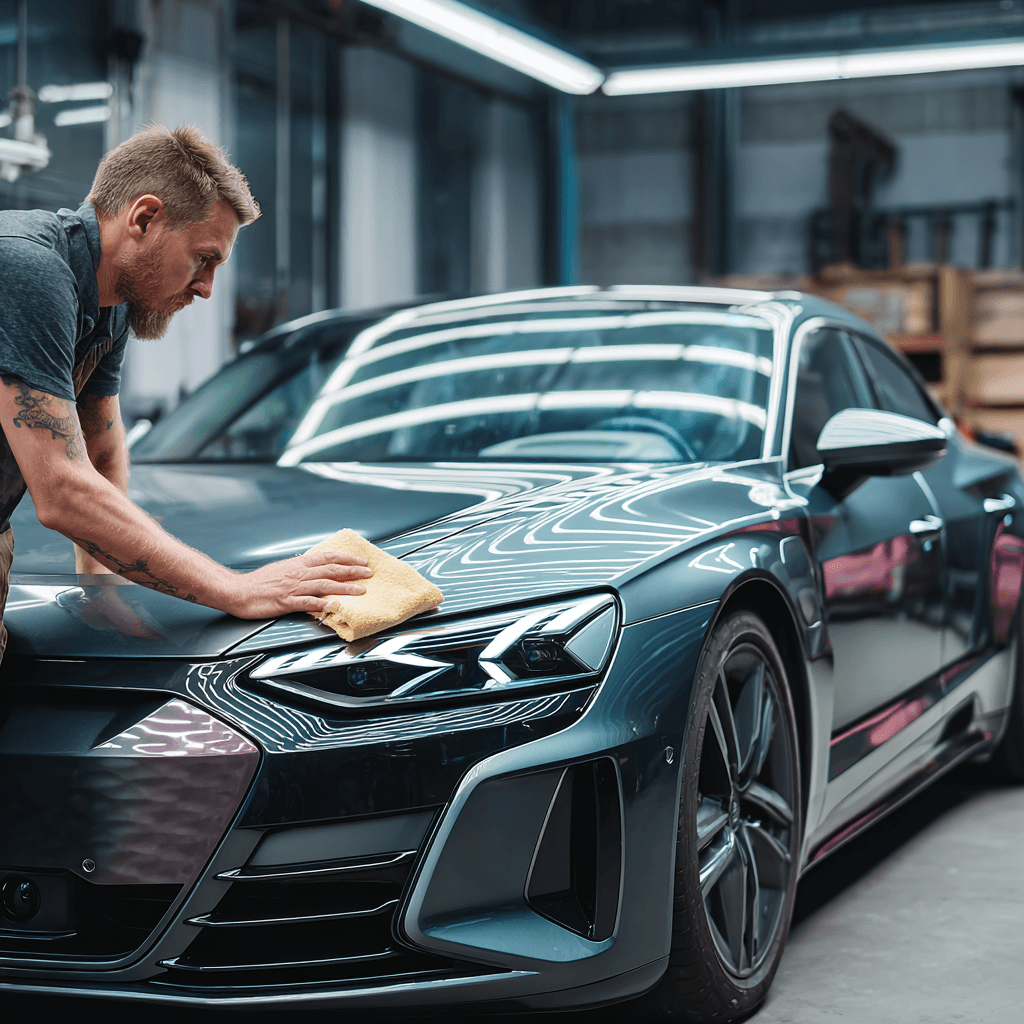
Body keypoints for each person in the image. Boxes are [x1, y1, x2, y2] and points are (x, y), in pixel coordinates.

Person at [0, 124, 371, 654]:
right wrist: (236, 588)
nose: (205, 287)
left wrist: (101, 586)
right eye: (203, 258)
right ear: (144, 218)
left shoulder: (108, 306)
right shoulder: (26, 267)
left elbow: (100, 448)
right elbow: (62, 490)